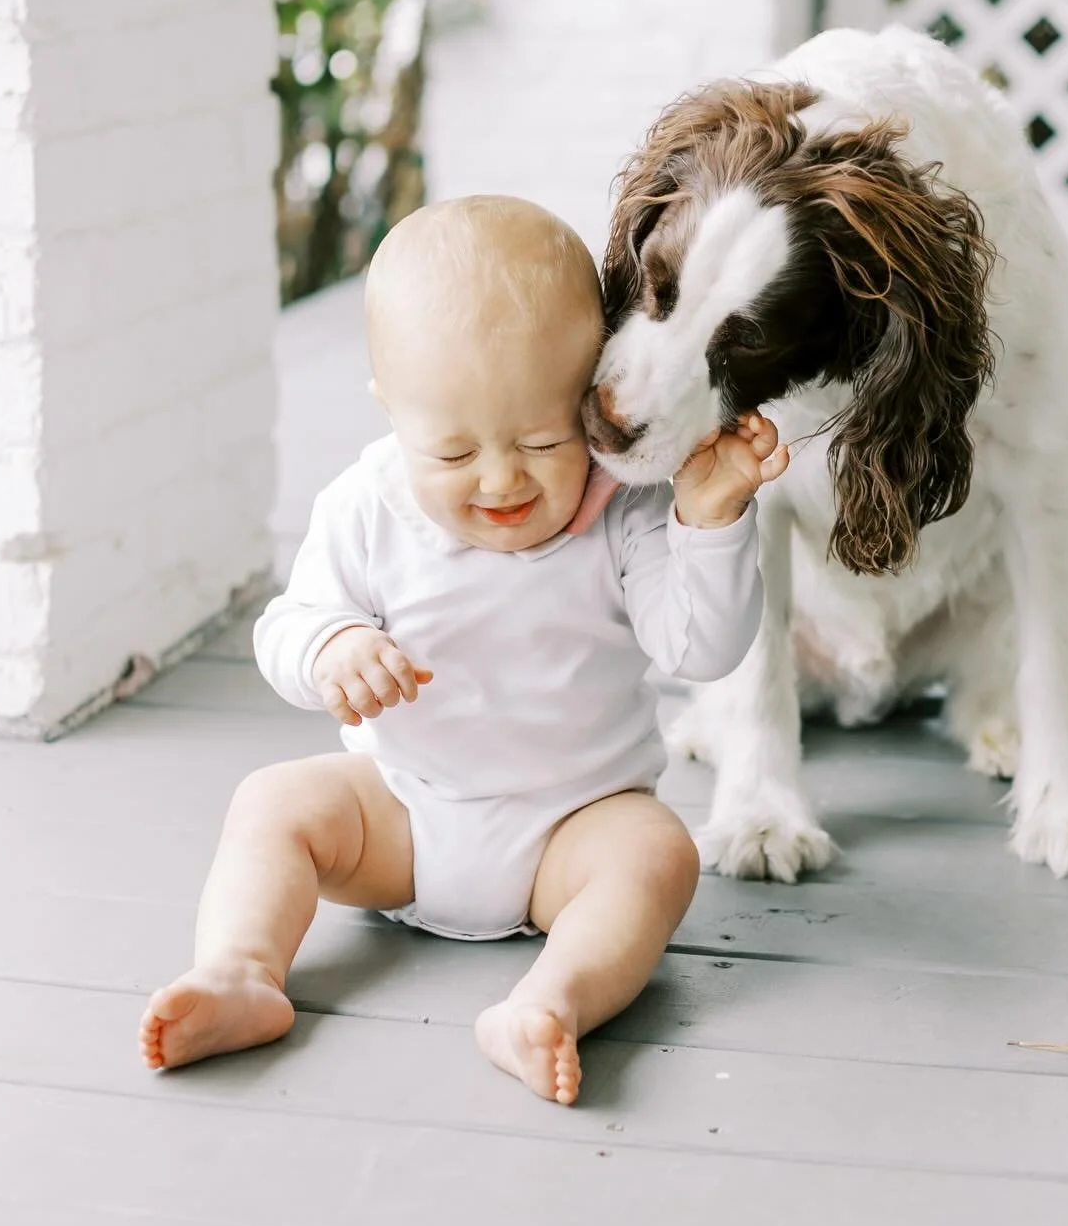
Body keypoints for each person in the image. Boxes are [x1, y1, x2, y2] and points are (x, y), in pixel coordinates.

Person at [138, 195, 787, 1104]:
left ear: (593, 395)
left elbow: (701, 649)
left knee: (659, 854)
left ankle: (547, 1003)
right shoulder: (366, 504)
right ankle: (241, 972)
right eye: (449, 452)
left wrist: (710, 522)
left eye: (541, 439)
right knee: (273, 801)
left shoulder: (627, 508)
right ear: (390, 412)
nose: (500, 478)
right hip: (401, 814)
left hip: (571, 827)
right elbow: (285, 624)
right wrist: (332, 645)